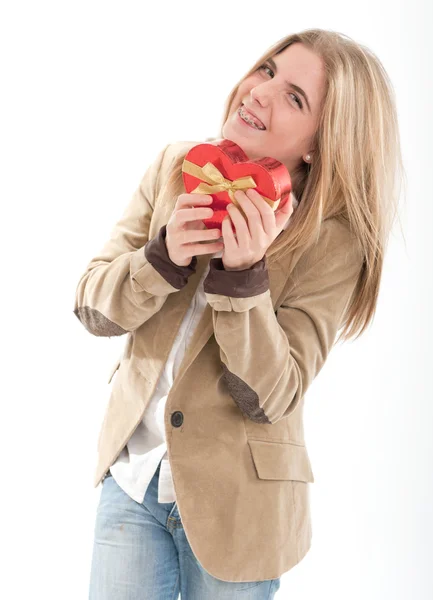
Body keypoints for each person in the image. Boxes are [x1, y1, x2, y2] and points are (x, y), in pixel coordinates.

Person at [74, 28, 404, 600]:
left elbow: (272, 395)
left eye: (295, 98)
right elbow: (92, 307)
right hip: (133, 481)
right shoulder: (175, 168)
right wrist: (162, 258)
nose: (260, 92)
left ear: (319, 145)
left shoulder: (335, 241)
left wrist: (245, 279)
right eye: (269, 71)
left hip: (241, 514)